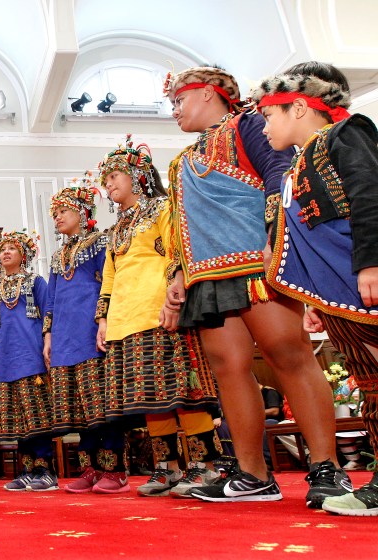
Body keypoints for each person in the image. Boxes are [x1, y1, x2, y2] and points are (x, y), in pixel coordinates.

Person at [164, 65, 350, 506]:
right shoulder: (180, 160)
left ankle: (328, 467)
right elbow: (180, 222)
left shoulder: (249, 125)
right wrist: (178, 273)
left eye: (179, 100)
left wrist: (273, 238)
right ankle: (252, 474)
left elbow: (279, 174)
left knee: (288, 354)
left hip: (256, 263)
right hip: (206, 275)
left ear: (209, 93)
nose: (174, 110)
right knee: (227, 368)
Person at [249, 61, 378, 515]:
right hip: (340, 291)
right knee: (370, 381)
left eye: (269, 116)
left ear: (300, 107)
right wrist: (315, 299)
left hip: (362, 279)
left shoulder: (347, 135)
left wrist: (372, 263)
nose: (264, 128)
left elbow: (369, 196)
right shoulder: (298, 163)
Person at [96, 136, 222, 498]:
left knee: (183, 392)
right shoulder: (116, 230)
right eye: (105, 180)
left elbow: (177, 250)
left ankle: (205, 467)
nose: (108, 185)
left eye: (114, 176)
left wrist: (174, 298)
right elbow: (109, 276)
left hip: (160, 311)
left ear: (137, 176)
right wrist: (103, 320)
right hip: (124, 321)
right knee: (149, 398)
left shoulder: (162, 208)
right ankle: (167, 468)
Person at [43, 180, 127, 494]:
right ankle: (89, 470)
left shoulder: (100, 242)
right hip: (64, 340)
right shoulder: (57, 256)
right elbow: (50, 300)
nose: (57, 217)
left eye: (63, 210)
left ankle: (115, 471)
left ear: (82, 212)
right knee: (78, 411)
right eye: (55, 213)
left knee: (101, 407)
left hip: (91, 334)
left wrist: (105, 321)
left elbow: (109, 283)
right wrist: (48, 337)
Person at [0, 231, 56, 491]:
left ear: (23, 255)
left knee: (37, 416)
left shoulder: (36, 281)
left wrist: (48, 345)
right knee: (18, 418)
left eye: (12, 248)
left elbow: (49, 314)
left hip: (31, 357)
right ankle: (27, 470)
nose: (6, 252)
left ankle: (45, 471)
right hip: (5, 361)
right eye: (2, 249)